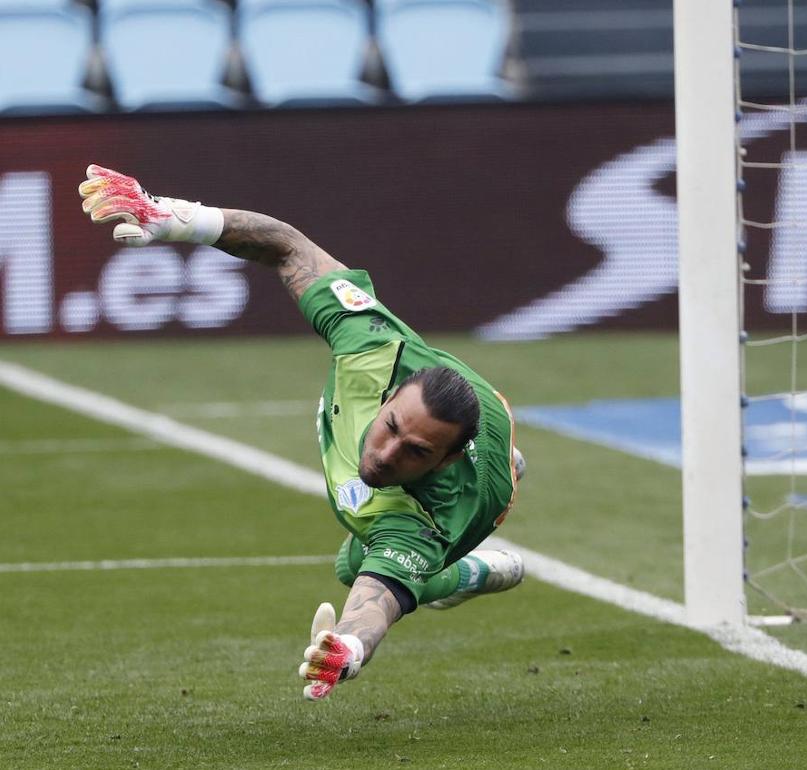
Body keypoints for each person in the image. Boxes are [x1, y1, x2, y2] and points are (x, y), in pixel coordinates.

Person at [78, 164, 525, 701]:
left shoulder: (423, 521)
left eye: (415, 452)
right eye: (391, 428)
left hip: (480, 484)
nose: (386, 453)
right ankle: (481, 535)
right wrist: (170, 217)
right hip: (465, 397)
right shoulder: (370, 347)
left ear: (442, 462)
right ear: (386, 399)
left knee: (357, 565)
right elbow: (290, 247)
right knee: (355, 551)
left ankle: (479, 546)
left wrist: (349, 651)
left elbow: (374, 604)